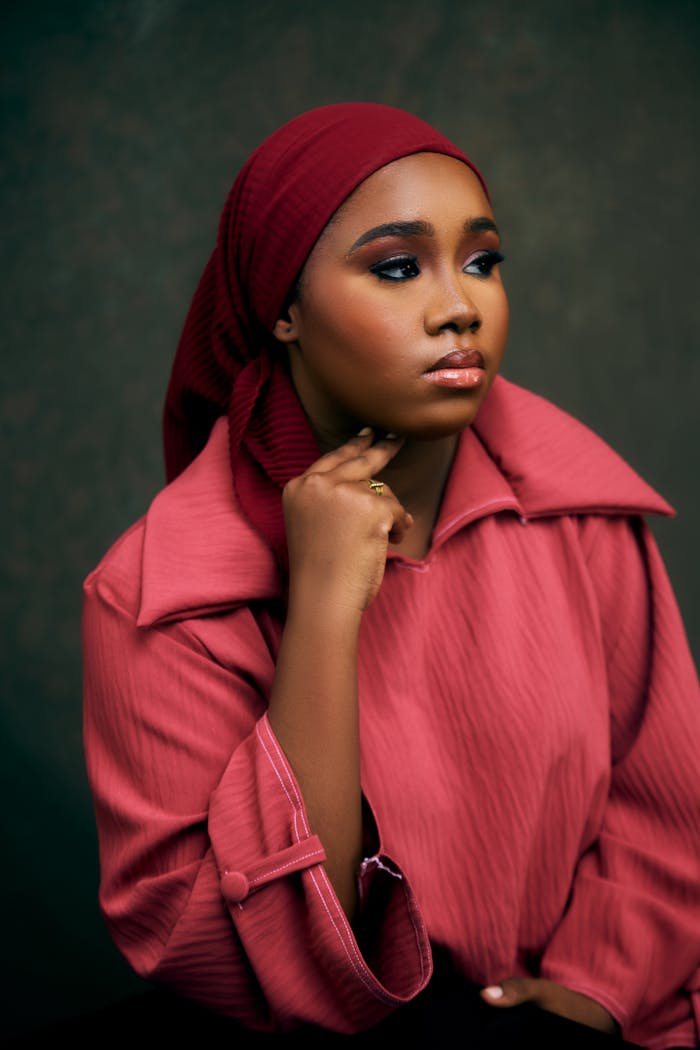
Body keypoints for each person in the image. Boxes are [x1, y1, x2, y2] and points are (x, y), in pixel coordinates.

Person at [82, 103, 700, 1048]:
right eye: (398, 266)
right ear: (281, 306)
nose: (461, 305)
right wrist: (326, 606)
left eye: (483, 260)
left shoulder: (580, 512)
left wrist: (596, 994)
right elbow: (269, 962)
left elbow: (666, 815)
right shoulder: (163, 597)